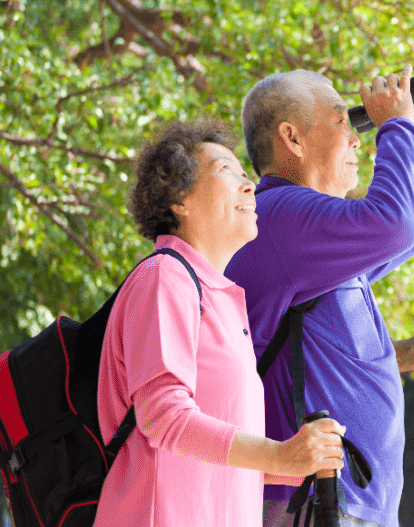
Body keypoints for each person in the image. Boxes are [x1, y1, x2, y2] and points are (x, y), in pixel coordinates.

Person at [94, 120, 347, 527]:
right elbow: (164, 418)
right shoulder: (165, 276)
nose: (249, 186)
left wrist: (297, 462)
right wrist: (278, 455)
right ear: (179, 201)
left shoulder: (221, 298)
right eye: (227, 172)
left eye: (246, 175)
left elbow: (210, 456)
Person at [226, 65, 414, 527]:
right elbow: (395, 224)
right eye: (344, 122)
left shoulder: (308, 240)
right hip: (315, 502)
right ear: (292, 139)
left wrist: (410, 127)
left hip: (344, 504)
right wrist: (395, 126)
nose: (358, 139)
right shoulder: (279, 216)